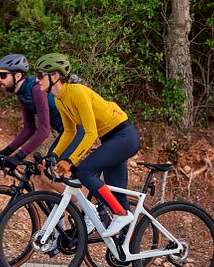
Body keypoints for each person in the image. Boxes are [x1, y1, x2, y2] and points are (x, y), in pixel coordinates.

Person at [34, 53, 140, 243]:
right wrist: (54, 155)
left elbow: (90, 133)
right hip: (112, 140)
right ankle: (127, 257)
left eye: (40, 75)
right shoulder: (60, 100)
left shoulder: (77, 92)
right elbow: (69, 131)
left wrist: (70, 160)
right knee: (117, 196)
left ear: (55, 76)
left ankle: (120, 215)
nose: (36, 79)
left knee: (84, 171)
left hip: (124, 136)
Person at [0, 54, 84, 197]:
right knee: (44, 175)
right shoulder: (22, 93)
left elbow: (44, 131)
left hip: (76, 132)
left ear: (18, 76)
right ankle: (63, 217)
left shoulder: (36, 89)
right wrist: (5, 152)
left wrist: (19, 156)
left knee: (48, 171)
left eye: (3, 75)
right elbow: (29, 129)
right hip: (66, 133)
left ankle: (83, 211)